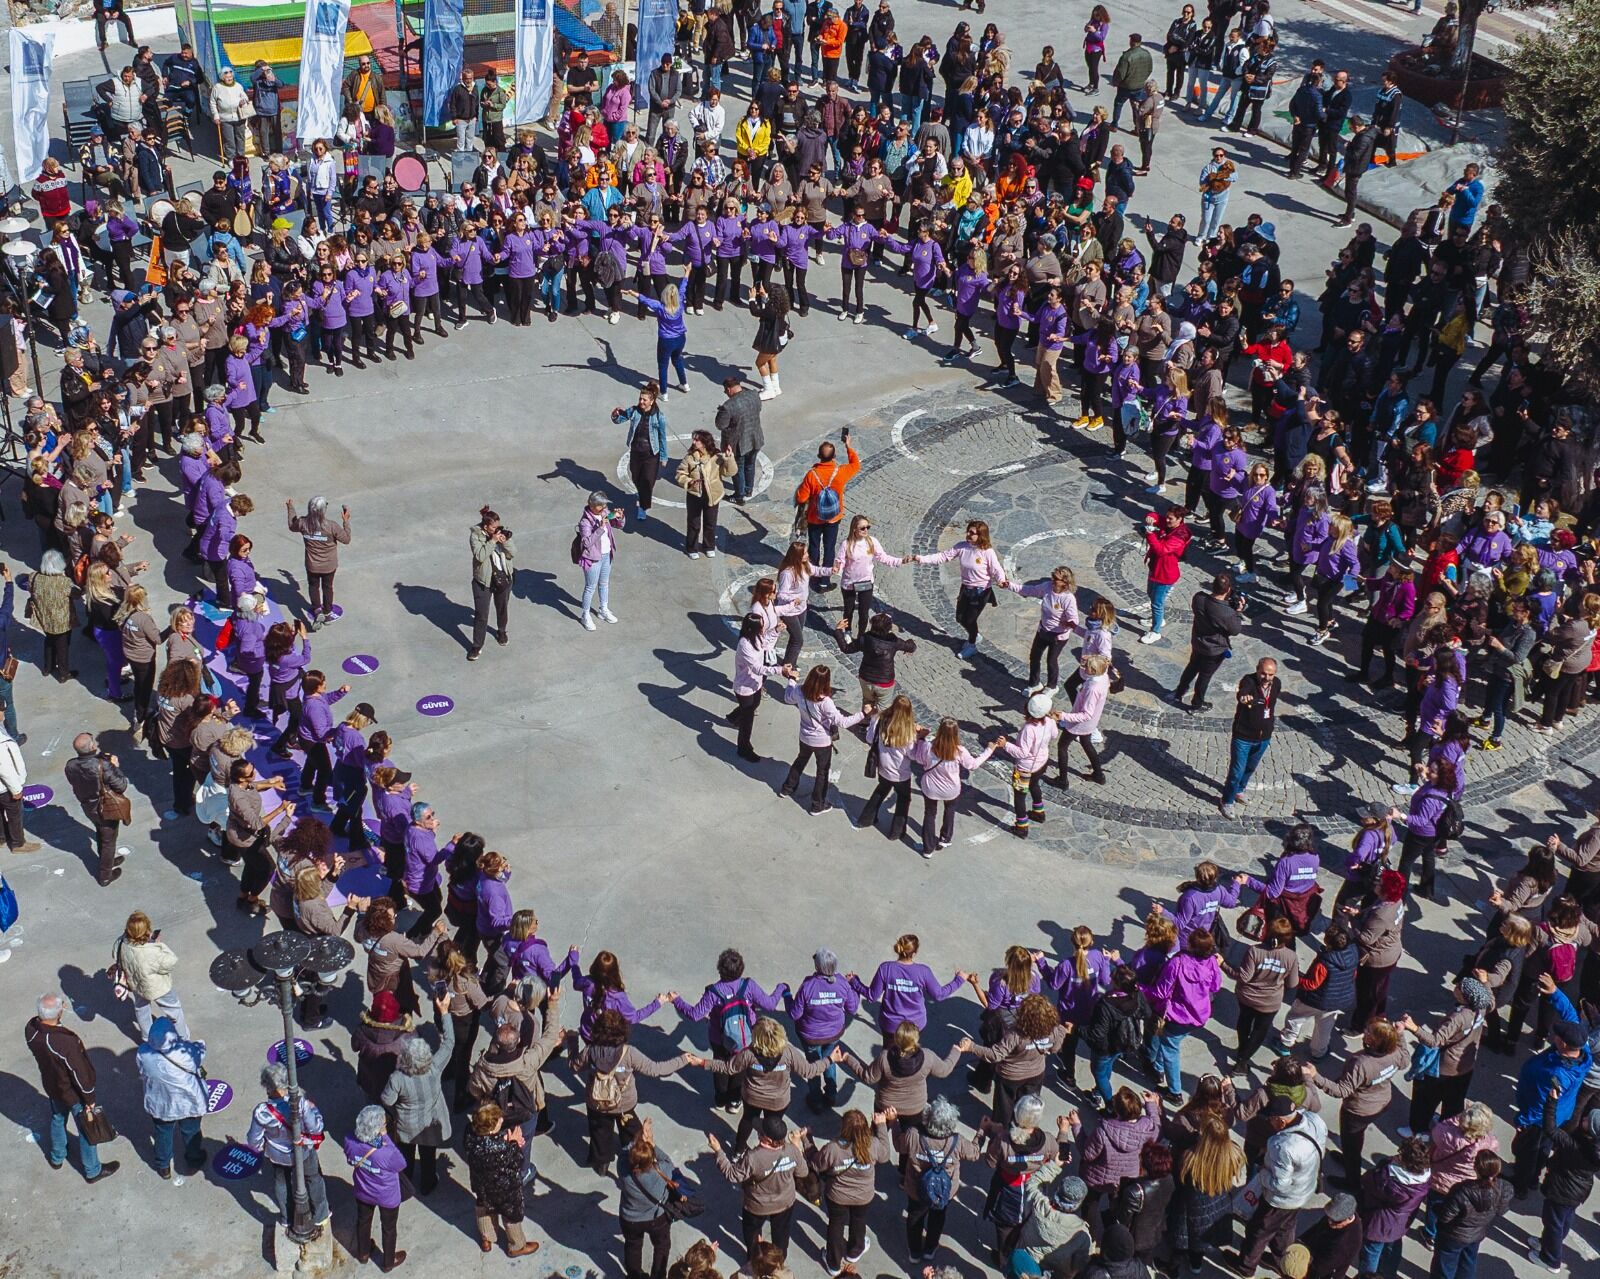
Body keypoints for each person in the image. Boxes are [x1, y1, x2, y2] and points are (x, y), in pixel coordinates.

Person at [1230, 1095, 1328, 1276]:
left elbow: (1279, 1184)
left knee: (1259, 1231)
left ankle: (1246, 1266)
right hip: (1303, 1191)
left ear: (1281, 1121)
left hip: (1280, 1200)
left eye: (1270, 1119)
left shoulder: (1281, 1145)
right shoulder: (1315, 1121)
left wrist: (1262, 1172)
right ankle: (1280, 1259)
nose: (1269, 1122)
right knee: (1286, 1227)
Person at [26, 993, 118, 1182]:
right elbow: (80, 1074)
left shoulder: (31, 1030)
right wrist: (89, 1100)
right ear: (58, 1012)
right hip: (72, 1093)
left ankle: (57, 1156)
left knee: (58, 1118)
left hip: (52, 1086)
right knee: (86, 1129)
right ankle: (92, 1170)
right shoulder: (63, 1042)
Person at [247, 1062, 331, 1231]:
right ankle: (320, 1215)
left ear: (266, 1086)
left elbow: (253, 1140)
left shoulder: (262, 1111)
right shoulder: (300, 1104)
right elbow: (316, 1128)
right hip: (303, 1150)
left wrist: (263, 1147)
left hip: (277, 1155)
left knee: (282, 1183)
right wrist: (315, 1111)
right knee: (313, 1178)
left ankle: (287, 1217)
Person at [464, 1101, 542, 1257]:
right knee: (510, 1215)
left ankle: (487, 1238)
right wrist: (515, 1143)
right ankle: (516, 1246)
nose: (502, 1120)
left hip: (482, 1185)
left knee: (484, 1207)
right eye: (498, 1119)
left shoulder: (470, 1136)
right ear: (492, 1128)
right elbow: (517, 1162)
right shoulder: (502, 1147)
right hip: (505, 1189)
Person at [136, 1015, 209, 1180]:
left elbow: (141, 1070)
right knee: (191, 1131)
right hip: (187, 1102)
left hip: (160, 1103)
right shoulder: (185, 1053)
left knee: (162, 1133)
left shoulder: (143, 1052)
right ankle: (194, 1159)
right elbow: (201, 1049)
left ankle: (163, 1166)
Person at [794, 431, 861, 590]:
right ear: (834, 456)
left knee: (814, 546)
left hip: (814, 517)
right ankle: (825, 580)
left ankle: (813, 574)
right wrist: (848, 446)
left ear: (818, 456)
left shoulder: (812, 475)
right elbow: (856, 465)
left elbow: (802, 498)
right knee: (829, 547)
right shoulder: (841, 472)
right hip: (834, 517)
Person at [62, 732, 129, 887]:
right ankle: (105, 875)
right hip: (105, 807)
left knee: (100, 831)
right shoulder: (102, 766)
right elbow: (122, 785)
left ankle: (107, 859)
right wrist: (115, 767)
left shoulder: (70, 765)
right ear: (92, 746)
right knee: (109, 840)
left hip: (88, 806)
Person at [1171, 572, 1243, 712]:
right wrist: (1238, 612)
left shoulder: (1198, 598)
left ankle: (1179, 692)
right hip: (1214, 649)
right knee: (1204, 676)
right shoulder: (1226, 612)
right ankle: (1197, 704)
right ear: (1228, 590)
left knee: (1192, 667)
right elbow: (1235, 629)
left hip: (1198, 642)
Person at [110, 910, 188, 1039]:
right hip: (158, 987)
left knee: (141, 1008)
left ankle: (147, 1037)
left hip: (135, 983)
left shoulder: (121, 942)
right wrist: (158, 944)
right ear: (147, 930)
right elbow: (170, 961)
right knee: (174, 1010)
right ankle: (183, 1038)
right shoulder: (151, 951)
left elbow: (115, 955)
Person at [1221, 658, 1281, 818]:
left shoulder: (1277, 684)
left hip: (1264, 736)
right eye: (1263, 673)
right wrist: (1244, 697)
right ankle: (1227, 800)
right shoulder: (1249, 681)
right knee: (1236, 771)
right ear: (1257, 670)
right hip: (1244, 736)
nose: (1267, 678)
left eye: (1270, 674)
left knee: (1250, 768)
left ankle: (1239, 790)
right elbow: (1243, 692)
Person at [676, 430, 738, 559]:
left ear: (705, 442)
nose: (694, 442)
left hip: (713, 494)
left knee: (710, 522)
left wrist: (729, 458)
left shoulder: (716, 457)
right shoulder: (689, 457)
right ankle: (691, 547)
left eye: (696, 440)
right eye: (694, 439)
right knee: (694, 523)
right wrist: (689, 481)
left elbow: (729, 472)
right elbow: (680, 474)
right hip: (694, 495)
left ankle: (709, 546)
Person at [467, 505, 515, 660]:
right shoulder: (476, 536)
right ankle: (476, 646)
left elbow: (513, 553)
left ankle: (501, 631)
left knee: (502, 608)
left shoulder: (500, 532)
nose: (497, 529)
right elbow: (480, 556)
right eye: (493, 527)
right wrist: (492, 542)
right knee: (481, 614)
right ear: (486, 527)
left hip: (503, 577)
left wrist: (504, 541)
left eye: (497, 526)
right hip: (483, 581)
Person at [575, 492, 625, 631]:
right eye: (601, 505)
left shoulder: (605, 513)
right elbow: (587, 542)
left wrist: (619, 518)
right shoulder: (585, 522)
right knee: (590, 587)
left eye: (605, 504)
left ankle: (603, 609)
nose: (604, 507)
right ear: (592, 505)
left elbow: (619, 525)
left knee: (604, 584)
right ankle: (585, 615)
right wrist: (600, 528)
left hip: (606, 555)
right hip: (592, 559)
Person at [716, 376, 766, 506]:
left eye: (725, 390)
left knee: (738, 469)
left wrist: (720, 412)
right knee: (750, 464)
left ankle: (739, 495)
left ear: (728, 389)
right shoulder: (754, 395)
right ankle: (748, 489)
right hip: (755, 437)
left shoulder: (728, 406)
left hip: (738, 444)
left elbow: (720, 425)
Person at [0, 727, 40, 853]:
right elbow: (4, 769)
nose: (3, 712)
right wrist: (15, 789)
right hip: (5, 787)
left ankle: (2, 838)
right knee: (14, 814)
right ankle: (18, 844)